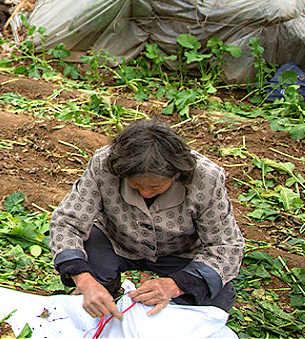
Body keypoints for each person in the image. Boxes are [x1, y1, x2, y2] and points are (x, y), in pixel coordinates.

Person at [49, 119, 243, 320]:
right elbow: (66, 222)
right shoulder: (104, 164)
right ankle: (105, 287)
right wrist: (84, 281)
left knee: (214, 297)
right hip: (116, 241)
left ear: (176, 175)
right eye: (135, 184)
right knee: (89, 265)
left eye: (156, 187)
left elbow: (226, 245)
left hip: (180, 253)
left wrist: (175, 285)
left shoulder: (206, 178)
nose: (145, 192)